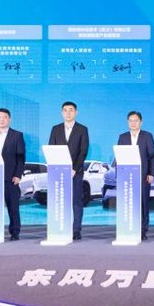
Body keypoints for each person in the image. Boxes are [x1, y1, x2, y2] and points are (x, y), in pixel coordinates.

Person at [49, 101, 90, 240]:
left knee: (76, 201)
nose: (68, 113)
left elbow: (83, 151)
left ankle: (76, 230)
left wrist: (74, 169)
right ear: (62, 113)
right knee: (59, 201)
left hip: (75, 173)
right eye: (65, 110)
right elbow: (51, 148)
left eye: (71, 110)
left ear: (76, 112)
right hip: (58, 172)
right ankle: (60, 228)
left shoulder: (82, 129)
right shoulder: (55, 129)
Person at [0, 108, 25, 241]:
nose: (2, 120)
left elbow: (20, 158)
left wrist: (18, 175)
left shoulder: (17, 135)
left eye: (5, 117)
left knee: (13, 207)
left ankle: (15, 232)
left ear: (9, 119)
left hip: (10, 177)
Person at [117, 111, 154, 240]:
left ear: (141, 122)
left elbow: (151, 156)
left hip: (143, 176)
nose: (133, 123)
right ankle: (128, 228)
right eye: (131, 121)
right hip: (127, 176)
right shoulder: (123, 137)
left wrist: (151, 173)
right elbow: (119, 156)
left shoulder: (147, 136)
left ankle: (142, 230)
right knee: (128, 202)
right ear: (128, 122)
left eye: (136, 120)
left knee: (143, 203)